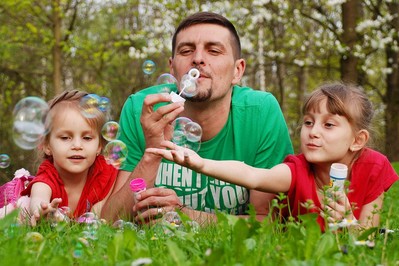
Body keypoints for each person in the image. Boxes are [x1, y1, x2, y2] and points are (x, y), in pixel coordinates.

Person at [101, 11, 293, 224]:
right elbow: (110, 220)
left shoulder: (260, 112)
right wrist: (152, 153)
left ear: (237, 71)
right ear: (172, 68)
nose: (198, 59)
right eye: (186, 50)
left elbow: (269, 222)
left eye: (213, 50)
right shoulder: (143, 108)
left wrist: (185, 215)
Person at [147, 82, 399, 230]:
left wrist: (348, 224)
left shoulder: (374, 167)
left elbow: (367, 241)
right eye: (309, 122)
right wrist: (201, 163)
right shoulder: (297, 170)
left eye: (328, 125)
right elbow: (253, 175)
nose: (313, 132)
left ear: (358, 140)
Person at [18, 90, 118, 225]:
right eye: (65, 138)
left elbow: (102, 210)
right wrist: (43, 211)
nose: (77, 145)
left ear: (99, 146)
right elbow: (39, 197)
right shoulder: (48, 175)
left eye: (87, 138)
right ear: (47, 145)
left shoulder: (105, 172)